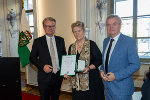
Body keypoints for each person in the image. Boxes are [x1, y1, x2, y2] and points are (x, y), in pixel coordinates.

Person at [100, 15, 140, 100]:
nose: (111, 27)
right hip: (107, 88)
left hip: (122, 90)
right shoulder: (105, 41)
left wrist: (116, 76)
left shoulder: (129, 41)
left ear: (120, 25)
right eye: (108, 25)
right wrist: (101, 70)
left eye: (114, 24)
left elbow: (135, 65)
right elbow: (105, 62)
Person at [64, 21, 105, 100]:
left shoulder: (91, 44)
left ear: (84, 31)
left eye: (79, 31)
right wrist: (67, 72)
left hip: (92, 81)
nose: (77, 34)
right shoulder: (71, 47)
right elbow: (70, 63)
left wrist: (89, 68)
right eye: (74, 32)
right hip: (77, 83)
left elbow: (99, 60)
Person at [30, 17, 66, 100]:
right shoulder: (38, 41)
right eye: (48, 26)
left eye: (53, 26)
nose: (51, 28)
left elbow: (64, 56)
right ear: (44, 27)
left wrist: (65, 70)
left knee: (55, 97)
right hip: (44, 76)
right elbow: (32, 58)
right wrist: (43, 66)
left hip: (58, 76)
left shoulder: (60, 40)